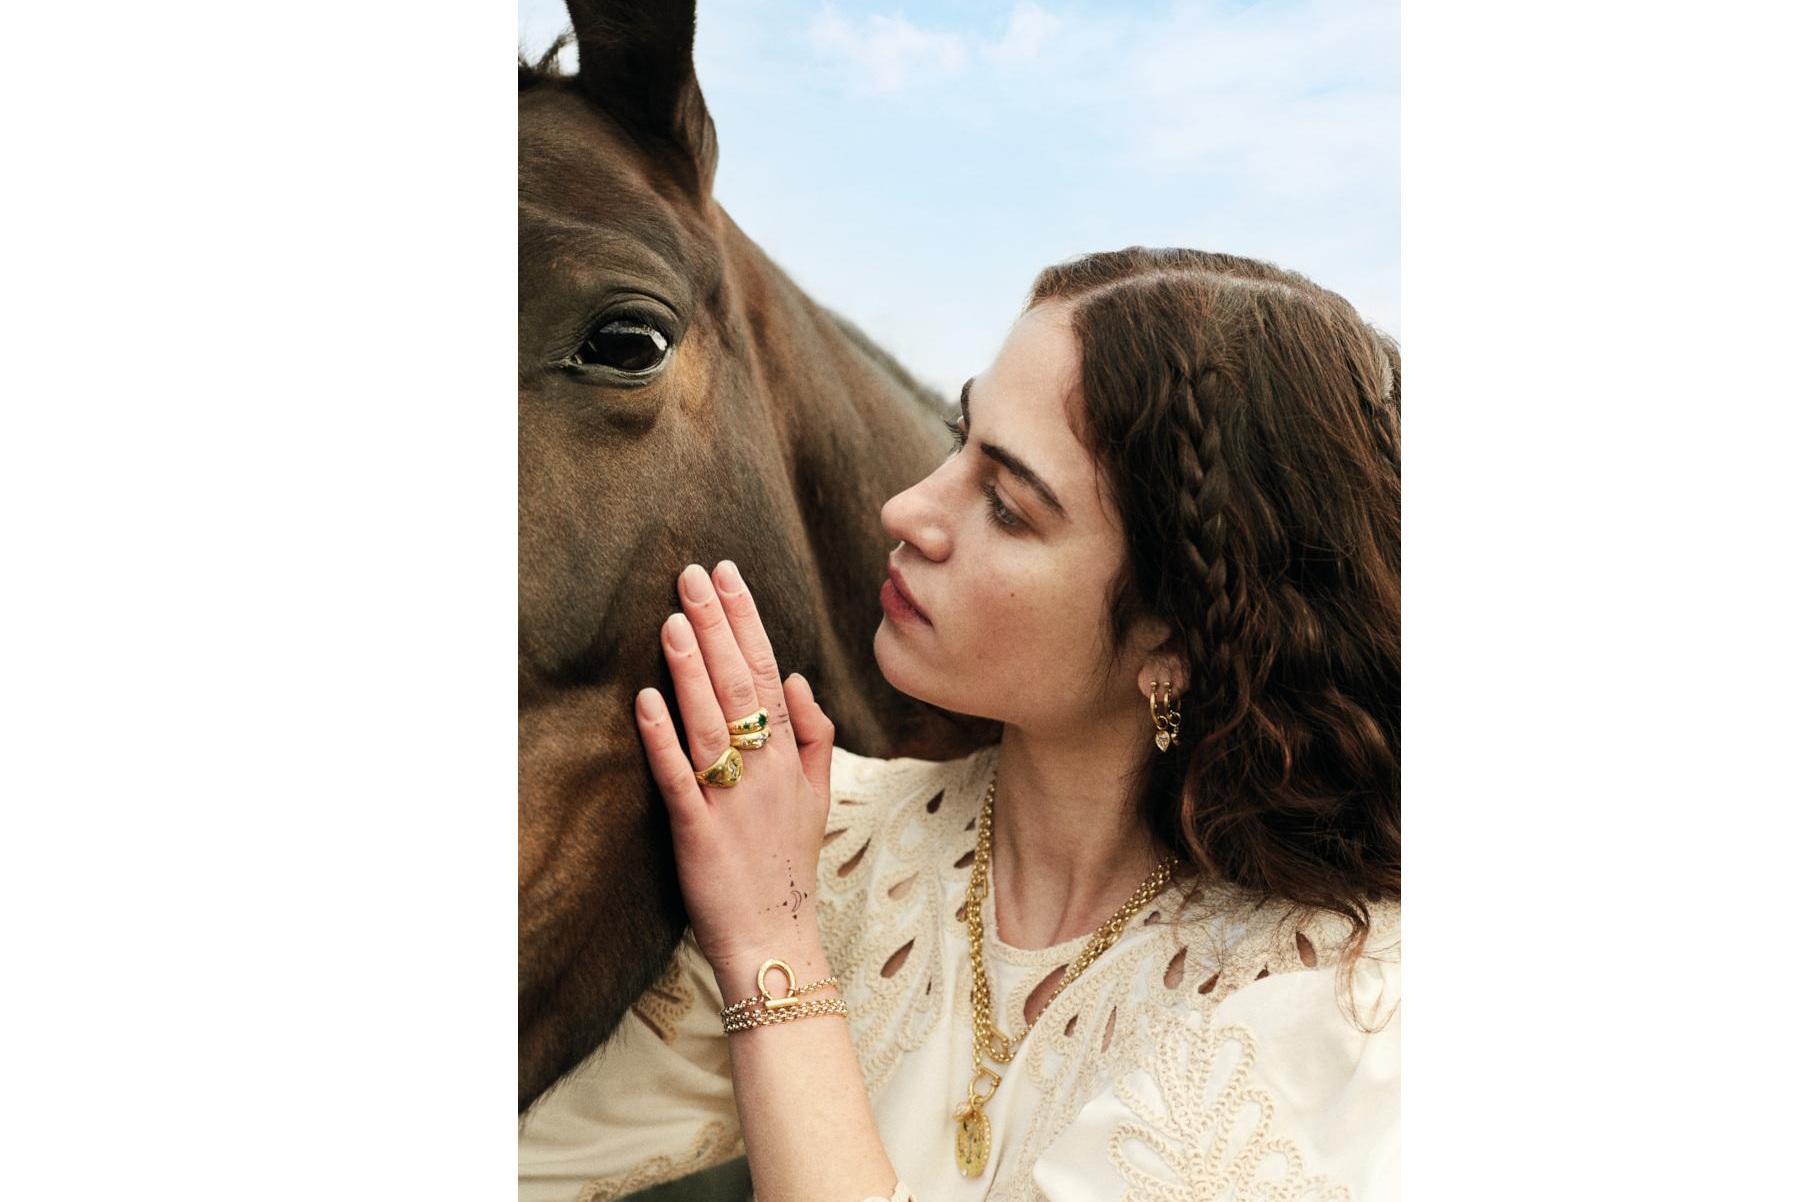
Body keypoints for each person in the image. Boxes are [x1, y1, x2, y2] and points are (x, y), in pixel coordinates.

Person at [517, 248, 1401, 1202]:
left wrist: (772, 954)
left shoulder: (1346, 1002)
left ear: (1175, 641)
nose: (906, 509)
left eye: (1008, 507)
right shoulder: (796, 840)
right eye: (958, 436)